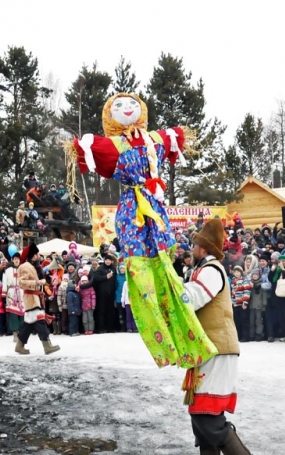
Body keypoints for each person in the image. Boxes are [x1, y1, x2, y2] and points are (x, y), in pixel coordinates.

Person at [72, 92, 214, 371]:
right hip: (134, 211)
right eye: (119, 106)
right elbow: (93, 149)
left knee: (165, 270)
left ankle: (186, 341)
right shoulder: (115, 144)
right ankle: (166, 345)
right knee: (142, 275)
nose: (127, 109)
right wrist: (84, 144)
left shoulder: (155, 140)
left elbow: (172, 137)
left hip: (155, 208)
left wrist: (174, 135)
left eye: (132, 105)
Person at [180, 219, 254, 455]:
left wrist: (171, 291)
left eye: (196, 243)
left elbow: (193, 297)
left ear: (204, 247)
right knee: (198, 406)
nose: (192, 247)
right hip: (209, 347)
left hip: (217, 346)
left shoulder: (211, 269)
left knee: (206, 408)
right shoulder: (204, 268)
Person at [15, 243, 61, 354]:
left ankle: (20, 346)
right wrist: (37, 282)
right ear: (32, 255)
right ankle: (47, 346)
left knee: (29, 324)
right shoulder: (25, 266)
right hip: (31, 298)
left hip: (35, 298)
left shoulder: (32, 266)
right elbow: (21, 282)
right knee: (40, 322)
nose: (38, 256)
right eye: (36, 254)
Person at [2, 252, 25, 340]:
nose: (16, 261)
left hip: (21, 292)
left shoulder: (23, 270)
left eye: (18, 259)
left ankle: (22, 332)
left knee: (22, 313)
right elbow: (4, 281)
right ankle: (15, 333)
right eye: (15, 259)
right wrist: (4, 292)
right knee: (13, 313)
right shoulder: (8, 270)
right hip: (11, 292)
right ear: (13, 260)